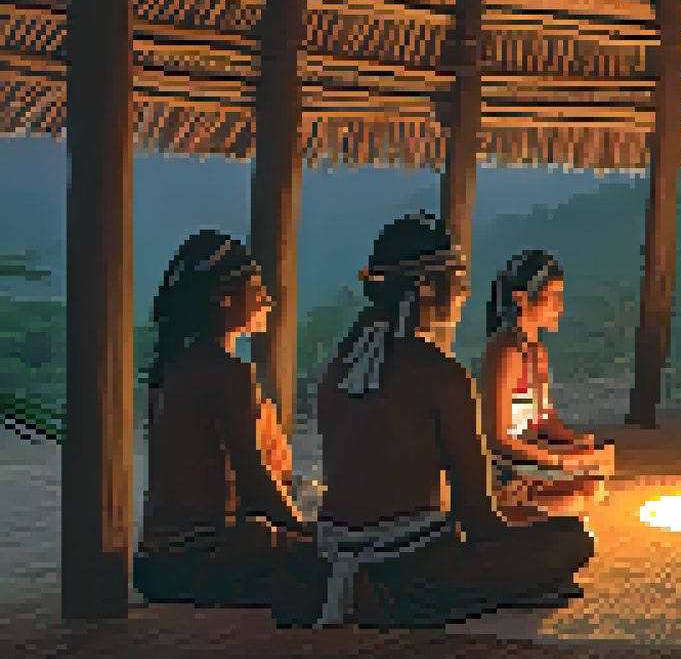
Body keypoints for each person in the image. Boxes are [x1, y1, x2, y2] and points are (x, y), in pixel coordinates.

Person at [309, 213, 594, 629]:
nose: (464, 293)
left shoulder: (336, 365)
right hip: (411, 564)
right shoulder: (440, 371)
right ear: (425, 287)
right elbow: (479, 523)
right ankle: (403, 596)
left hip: (332, 553)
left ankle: (360, 586)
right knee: (573, 540)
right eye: (457, 279)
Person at [135, 230, 318, 611]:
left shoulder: (173, 369)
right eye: (256, 287)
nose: (266, 298)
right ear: (225, 297)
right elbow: (252, 479)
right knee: (345, 559)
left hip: (158, 562)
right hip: (203, 556)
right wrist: (304, 532)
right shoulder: (226, 372)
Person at [482, 251, 613, 518]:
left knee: (594, 480)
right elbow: (497, 438)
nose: (560, 308)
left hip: (529, 453)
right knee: (581, 493)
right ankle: (510, 507)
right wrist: (561, 461)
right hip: (503, 462)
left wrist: (578, 443)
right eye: (553, 298)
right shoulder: (505, 351)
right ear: (522, 299)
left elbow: (544, 419)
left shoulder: (536, 352)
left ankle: (531, 505)